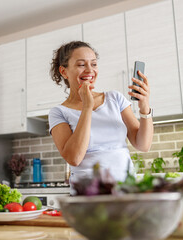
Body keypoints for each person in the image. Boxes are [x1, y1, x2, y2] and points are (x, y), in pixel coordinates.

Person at [48, 41, 153, 194]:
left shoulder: (115, 98)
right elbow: (74, 158)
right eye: (81, 65)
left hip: (126, 191)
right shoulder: (58, 112)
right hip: (88, 196)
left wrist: (145, 107)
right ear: (64, 72)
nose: (90, 70)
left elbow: (143, 145)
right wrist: (87, 107)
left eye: (94, 64)